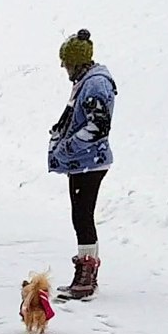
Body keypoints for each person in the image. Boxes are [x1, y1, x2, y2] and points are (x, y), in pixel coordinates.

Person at [48, 28, 117, 300]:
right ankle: (86, 273)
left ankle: (87, 275)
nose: (64, 68)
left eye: (66, 63)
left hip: (90, 161)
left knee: (82, 216)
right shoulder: (88, 81)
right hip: (83, 162)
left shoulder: (95, 84)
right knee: (81, 215)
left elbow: (98, 126)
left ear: (77, 62)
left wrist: (68, 146)